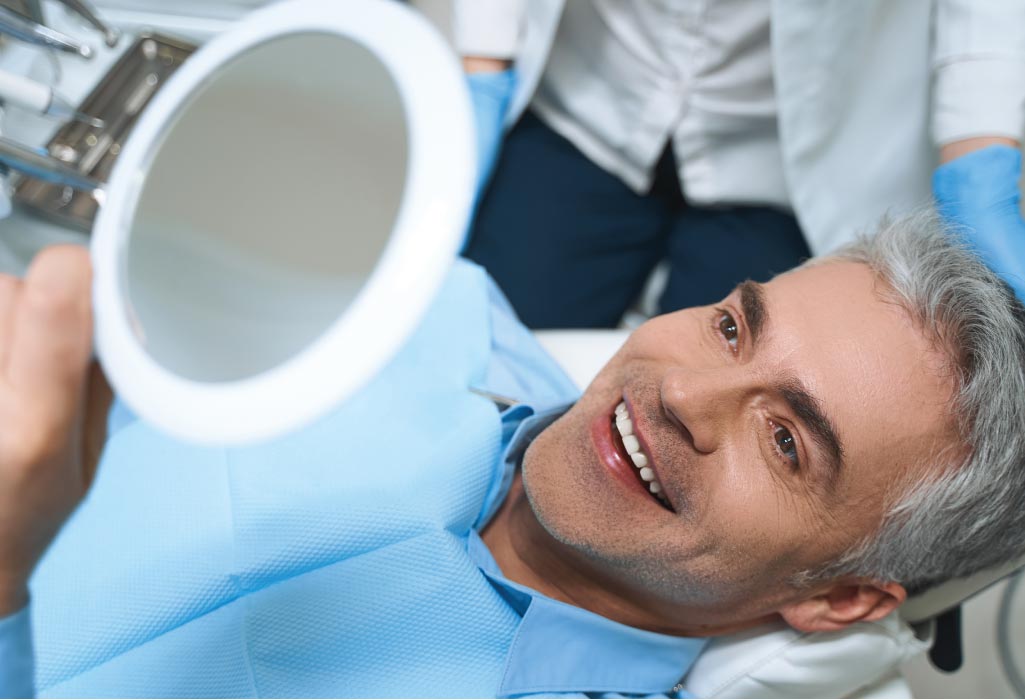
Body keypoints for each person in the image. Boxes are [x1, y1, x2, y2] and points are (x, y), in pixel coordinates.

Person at [1, 212, 1025, 697]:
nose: (678, 393)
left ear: (838, 598)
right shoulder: (417, 311)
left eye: (784, 439)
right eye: (730, 326)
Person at [459, 1, 1025, 328]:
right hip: (591, 93)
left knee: (719, 436)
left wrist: (981, 146)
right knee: (480, 349)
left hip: (783, 157)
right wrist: (482, 59)